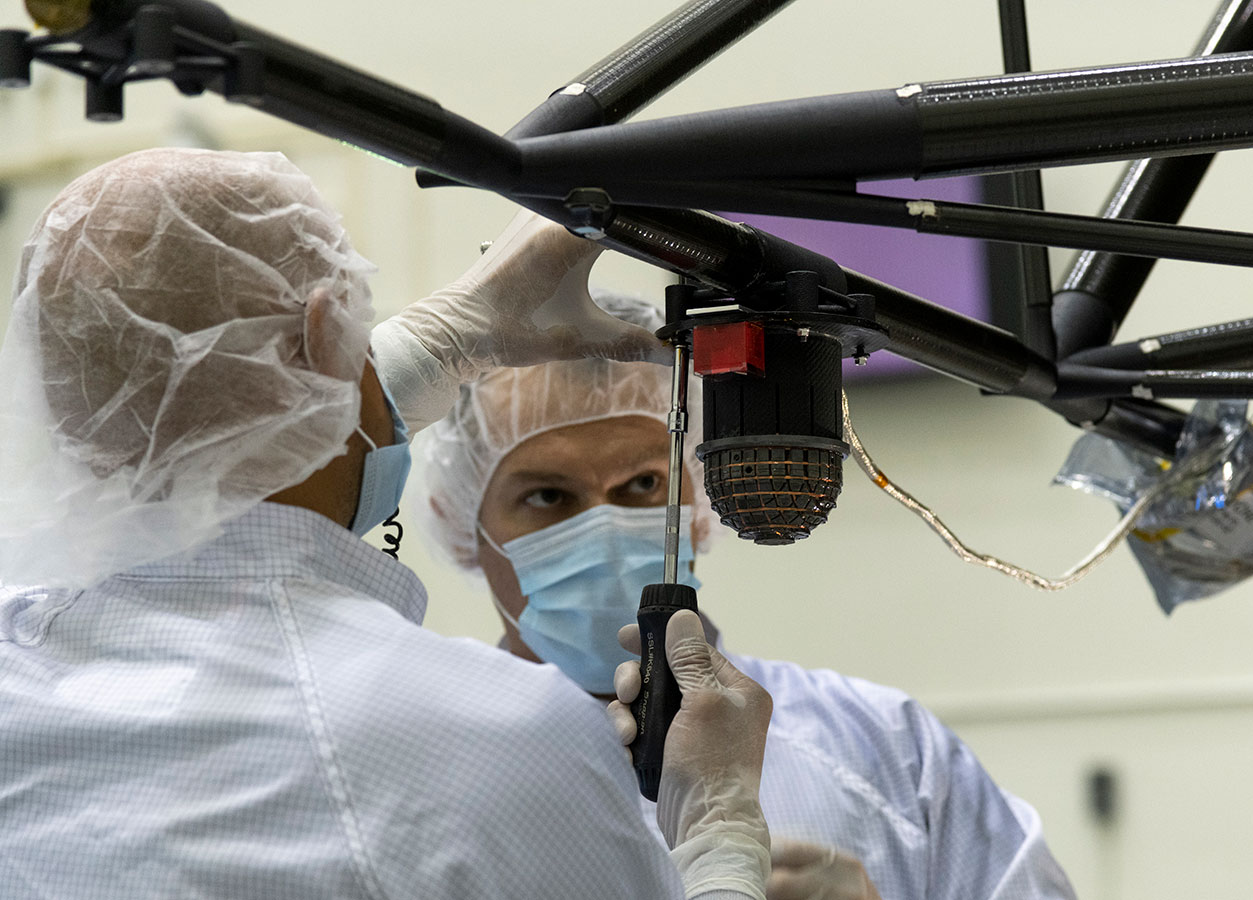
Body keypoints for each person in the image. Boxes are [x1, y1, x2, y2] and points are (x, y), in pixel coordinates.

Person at [0, 148, 776, 899]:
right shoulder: (492, 740)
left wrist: (409, 354)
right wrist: (722, 848)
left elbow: (211, 428)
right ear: (328, 329)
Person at [411, 292, 1078, 900]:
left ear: (699, 504)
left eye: (643, 485)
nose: (605, 528)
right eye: (548, 496)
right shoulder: (419, 780)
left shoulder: (886, 752)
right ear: (464, 523)